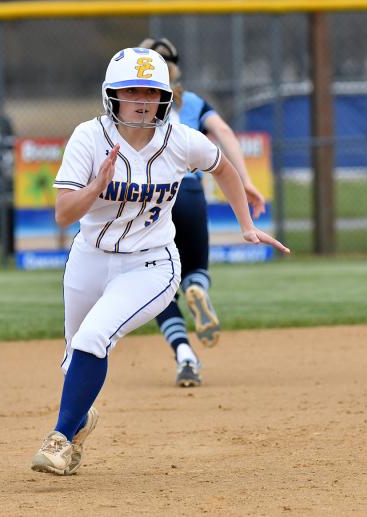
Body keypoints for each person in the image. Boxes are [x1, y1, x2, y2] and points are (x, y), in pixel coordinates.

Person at [30, 47, 290, 476]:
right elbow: (63, 213)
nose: (142, 100)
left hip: (151, 264)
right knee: (73, 358)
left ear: (165, 98)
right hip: (89, 257)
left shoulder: (180, 140)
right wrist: (96, 186)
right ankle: (79, 420)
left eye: (151, 92)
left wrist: (246, 225)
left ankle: (58, 439)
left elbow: (223, 169)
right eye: (131, 91)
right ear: (112, 96)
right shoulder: (89, 137)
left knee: (94, 337)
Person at [139, 37, 268, 387]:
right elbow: (223, 132)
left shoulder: (133, 102)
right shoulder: (192, 101)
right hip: (191, 191)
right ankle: (197, 288)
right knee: (195, 267)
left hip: (153, 198)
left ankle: (184, 354)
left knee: (157, 284)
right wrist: (246, 181)